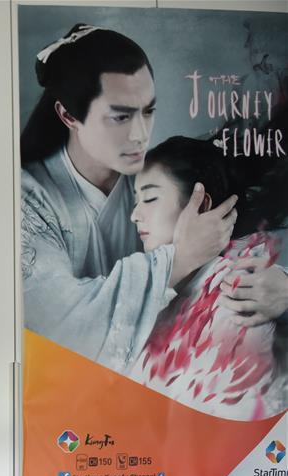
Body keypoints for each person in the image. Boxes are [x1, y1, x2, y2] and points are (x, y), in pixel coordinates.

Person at [20, 24, 288, 373]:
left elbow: (224, 239)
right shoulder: (30, 200)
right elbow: (65, 327)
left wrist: (281, 286)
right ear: (69, 116)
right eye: (120, 116)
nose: (140, 134)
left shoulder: (150, 176)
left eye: (147, 111)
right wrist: (177, 259)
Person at [128, 135, 288, 420]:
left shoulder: (236, 290)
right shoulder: (156, 285)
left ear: (201, 204)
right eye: (137, 200)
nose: (134, 215)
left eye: (150, 198)